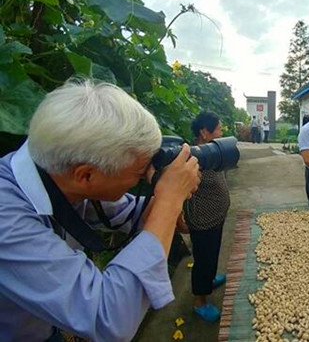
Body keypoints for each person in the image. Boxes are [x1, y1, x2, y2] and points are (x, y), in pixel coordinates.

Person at [0, 80, 201, 342]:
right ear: (85, 175)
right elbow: (109, 318)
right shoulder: (7, 220)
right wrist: (169, 201)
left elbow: (124, 212)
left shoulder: (54, 167)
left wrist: (165, 201)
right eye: (139, 174)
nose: (143, 180)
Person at [175, 111, 231, 322]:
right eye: (218, 129)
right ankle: (200, 301)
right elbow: (179, 191)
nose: (221, 132)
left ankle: (210, 279)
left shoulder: (214, 152)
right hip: (202, 220)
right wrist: (179, 219)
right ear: (204, 132)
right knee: (203, 258)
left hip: (217, 216)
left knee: (213, 252)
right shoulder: (190, 158)